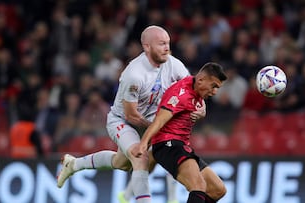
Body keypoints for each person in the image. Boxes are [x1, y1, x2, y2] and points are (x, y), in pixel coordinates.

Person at [57, 25, 205, 203]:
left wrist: (200, 107)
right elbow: (131, 115)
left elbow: (192, 89)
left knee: (121, 163)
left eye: (168, 43)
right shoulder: (134, 74)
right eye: (161, 44)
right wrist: (158, 127)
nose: (167, 48)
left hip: (151, 122)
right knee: (140, 157)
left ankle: (74, 164)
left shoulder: (174, 65)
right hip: (123, 121)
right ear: (147, 47)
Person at [132, 62, 227, 203]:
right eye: (213, 86)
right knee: (198, 186)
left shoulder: (196, 86)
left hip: (181, 146)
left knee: (218, 190)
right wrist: (143, 143)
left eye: (217, 88)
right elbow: (159, 121)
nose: (214, 92)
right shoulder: (180, 94)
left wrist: (202, 111)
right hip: (167, 145)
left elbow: (197, 102)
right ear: (201, 80)